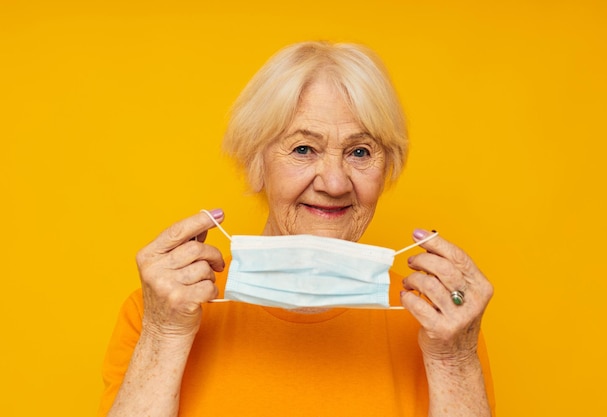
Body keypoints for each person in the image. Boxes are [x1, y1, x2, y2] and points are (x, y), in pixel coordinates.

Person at [98, 41, 495, 417]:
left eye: (360, 152)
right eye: (303, 149)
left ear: (387, 168)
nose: (335, 183)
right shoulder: (162, 312)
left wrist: (453, 359)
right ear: (256, 163)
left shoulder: (444, 323)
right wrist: (164, 334)